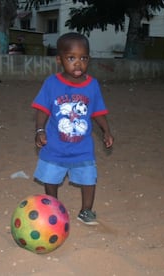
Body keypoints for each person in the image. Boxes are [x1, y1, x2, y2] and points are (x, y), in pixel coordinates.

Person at [31, 32, 114, 225]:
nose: (78, 63)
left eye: (83, 58)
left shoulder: (92, 85)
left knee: (89, 179)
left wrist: (106, 131)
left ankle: (86, 210)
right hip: (55, 146)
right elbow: (42, 110)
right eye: (71, 58)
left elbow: (98, 111)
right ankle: (54, 207)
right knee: (50, 178)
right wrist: (39, 130)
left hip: (82, 148)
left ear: (89, 59)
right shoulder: (51, 83)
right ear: (59, 60)